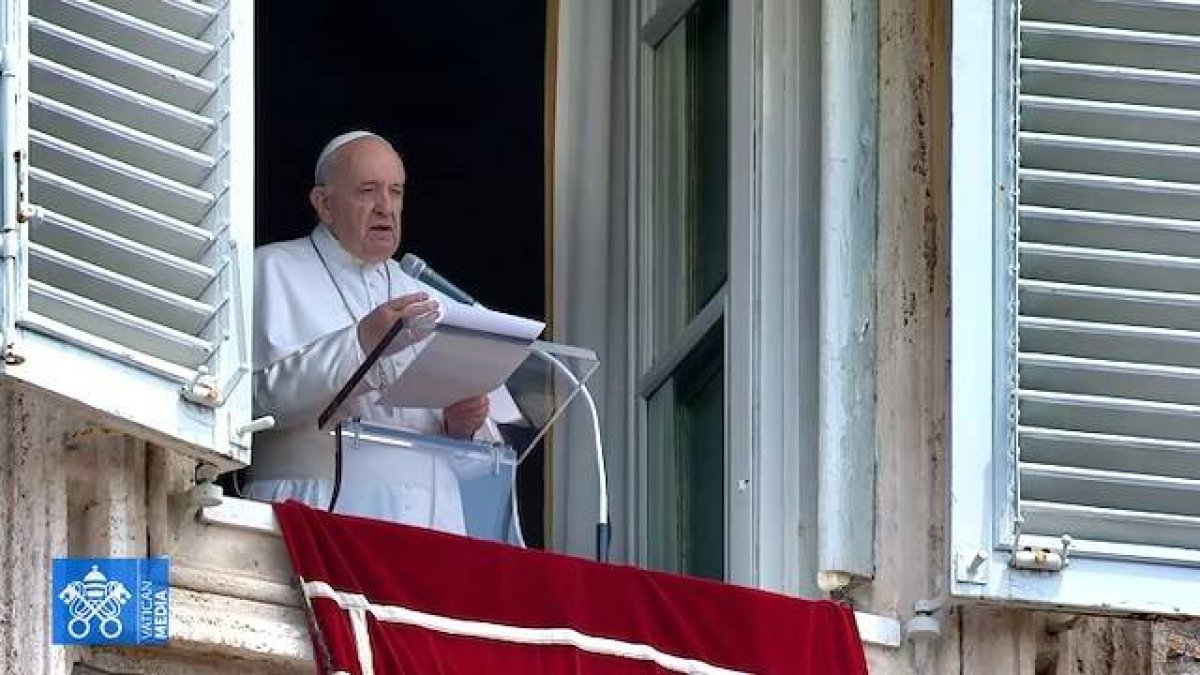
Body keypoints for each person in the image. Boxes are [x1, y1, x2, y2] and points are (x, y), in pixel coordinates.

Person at [247, 130, 497, 534]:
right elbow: (255, 402)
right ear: (324, 204)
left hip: (433, 524)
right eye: (368, 190)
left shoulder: (425, 293)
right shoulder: (271, 271)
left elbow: (479, 468)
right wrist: (361, 342)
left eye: (395, 192)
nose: (386, 207)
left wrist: (461, 427)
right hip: (318, 509)